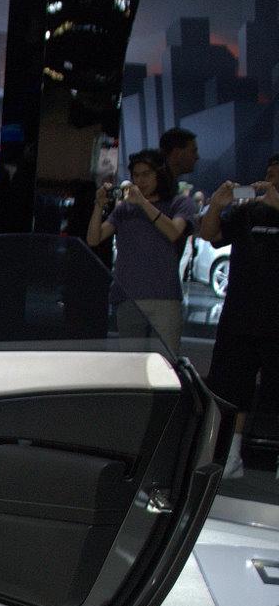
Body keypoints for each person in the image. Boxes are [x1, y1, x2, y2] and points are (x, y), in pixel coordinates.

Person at [199, 154, 279, 478]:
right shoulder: (247, 211)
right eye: (269, 175)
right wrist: (216, 206)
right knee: (232, 390)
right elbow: (209, 235)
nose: (271, 181)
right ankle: (230, 456)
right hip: (240, 317)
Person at [86, 149, 196, 353]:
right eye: (136, 175)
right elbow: (94, 239)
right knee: (131, 362)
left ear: (159, 174)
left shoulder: (179, 203)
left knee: (164, 361)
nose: (140, 180)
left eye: (146, 174)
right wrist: (98, 205)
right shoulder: (125, 209)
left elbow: (174, 232)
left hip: (164, 298)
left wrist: (143, 203)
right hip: (128, 297)